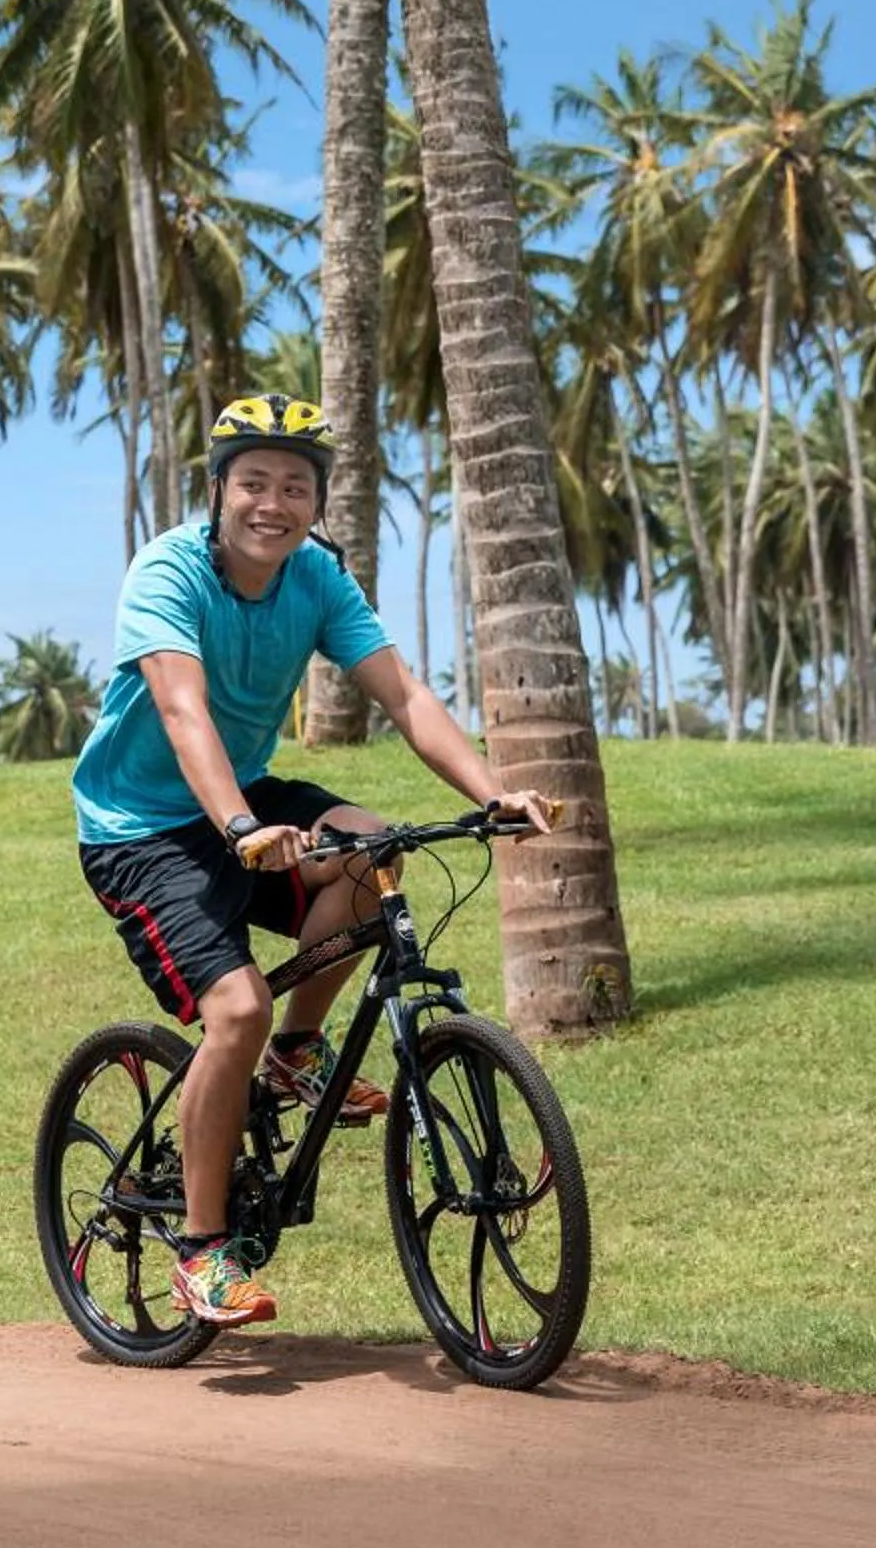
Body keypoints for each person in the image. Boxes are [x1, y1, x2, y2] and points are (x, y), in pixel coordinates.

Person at [72, 393, 554, 1328]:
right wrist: (241, 825)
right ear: (217, 491)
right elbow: (182, 714)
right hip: (140, 828)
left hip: (245, 797)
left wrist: (489, 792)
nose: (273, 503)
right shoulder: (167, 571)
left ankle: (297, 1054)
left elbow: (404, 694)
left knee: (376, 854)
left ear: (315, 504)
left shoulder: (318, 580)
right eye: (252, 482)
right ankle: (203, 1252)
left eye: (295, 487)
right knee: (234, 1007)